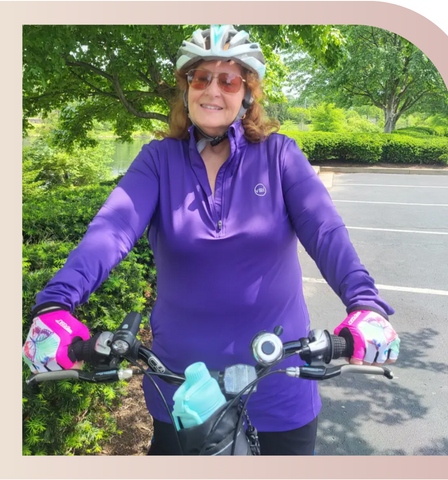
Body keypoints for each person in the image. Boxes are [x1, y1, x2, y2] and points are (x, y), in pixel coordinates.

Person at [22, 25, 400, 456]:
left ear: (248, 93)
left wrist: (364, 304)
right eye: (200, 78)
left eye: (229, 79)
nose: (213, 91)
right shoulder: (157, 160)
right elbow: (111, 230)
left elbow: (326, 231)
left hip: (279, 383)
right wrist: (55, 304)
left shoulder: (280, 156)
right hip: (181, 389)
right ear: (185, 89)